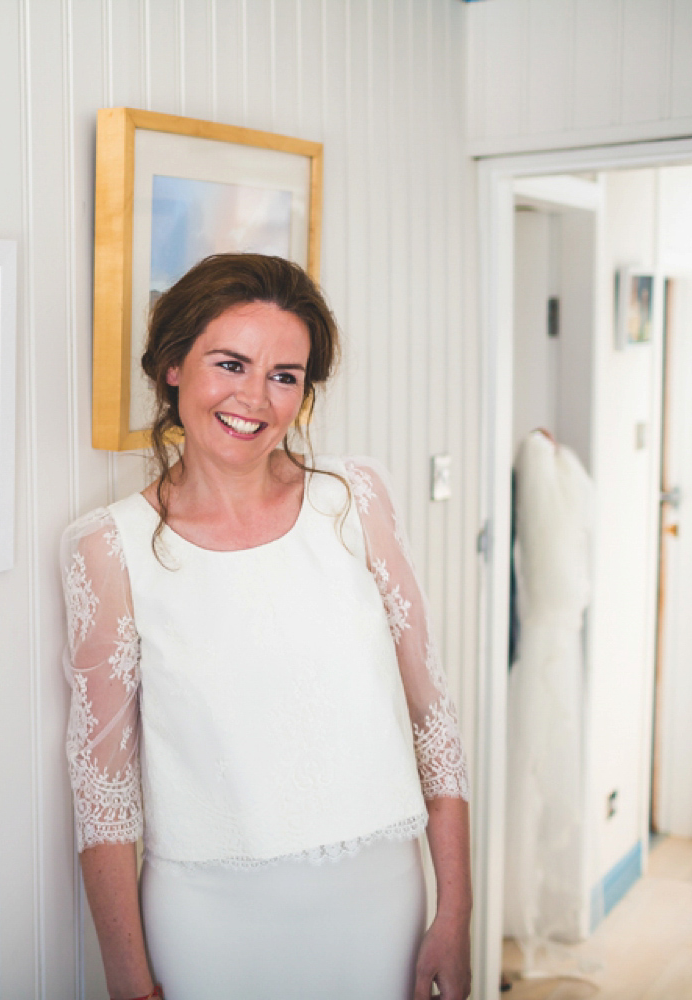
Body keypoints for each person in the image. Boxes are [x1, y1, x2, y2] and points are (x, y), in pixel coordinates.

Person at [63, 254, 472, 999]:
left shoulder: (355, 500)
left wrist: (457, 913)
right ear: (172, 367)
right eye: (231, 363)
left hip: (380, 900)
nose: (255, 398)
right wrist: (130, 984)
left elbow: (431, 719)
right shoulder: (109, 547)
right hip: (210, 918)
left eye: (285, 375)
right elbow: (103, 790)